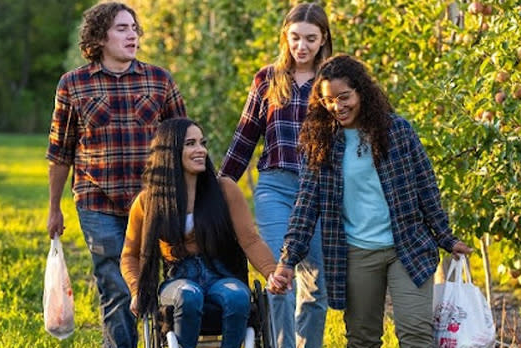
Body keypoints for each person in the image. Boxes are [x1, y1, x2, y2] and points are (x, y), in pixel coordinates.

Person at [270, 54, 473, 348]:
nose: (337, 107)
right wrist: (288, 260)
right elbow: (305, 205)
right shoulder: (322, 144)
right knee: (362, 339)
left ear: (361, 92)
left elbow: (426, 188)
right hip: (357, 252)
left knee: (416, 334)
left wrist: (446, 238)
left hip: (408, 245)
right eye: (328, 100)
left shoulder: (397, 131)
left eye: (344, 97)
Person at [45, 2, 186, 347]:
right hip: (98, 202)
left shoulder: (159, 80)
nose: (132, 34)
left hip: (154, 201)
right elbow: (60, 151)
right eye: (122, 28)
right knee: (116, 287)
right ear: (99, 37)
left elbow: (184, 140)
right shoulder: (73, 84)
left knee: (165, 281)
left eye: (134, 28)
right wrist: (54, 207)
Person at [219, 3, 331, 347]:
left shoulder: (333, 79)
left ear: (323, 38)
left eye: (310, 39)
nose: (302, 46)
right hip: (275, 186)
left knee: (316, 284)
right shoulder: (268, 78)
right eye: (295, 37)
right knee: (278, 274)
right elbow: (245, 137)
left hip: (319, 191)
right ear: (285, 37)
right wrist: (219, 187)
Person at [120, 118, 281, 348]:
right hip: (179, 279)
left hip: (221, 274)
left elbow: (250, 240)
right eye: (191, 144)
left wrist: (271, 272)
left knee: (237, 297)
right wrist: (137, 290)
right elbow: (130, 255)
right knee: (189, 295)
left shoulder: (225, 190)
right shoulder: (148, 201)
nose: (201, 150)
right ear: (171, 150)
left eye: (202, 143)